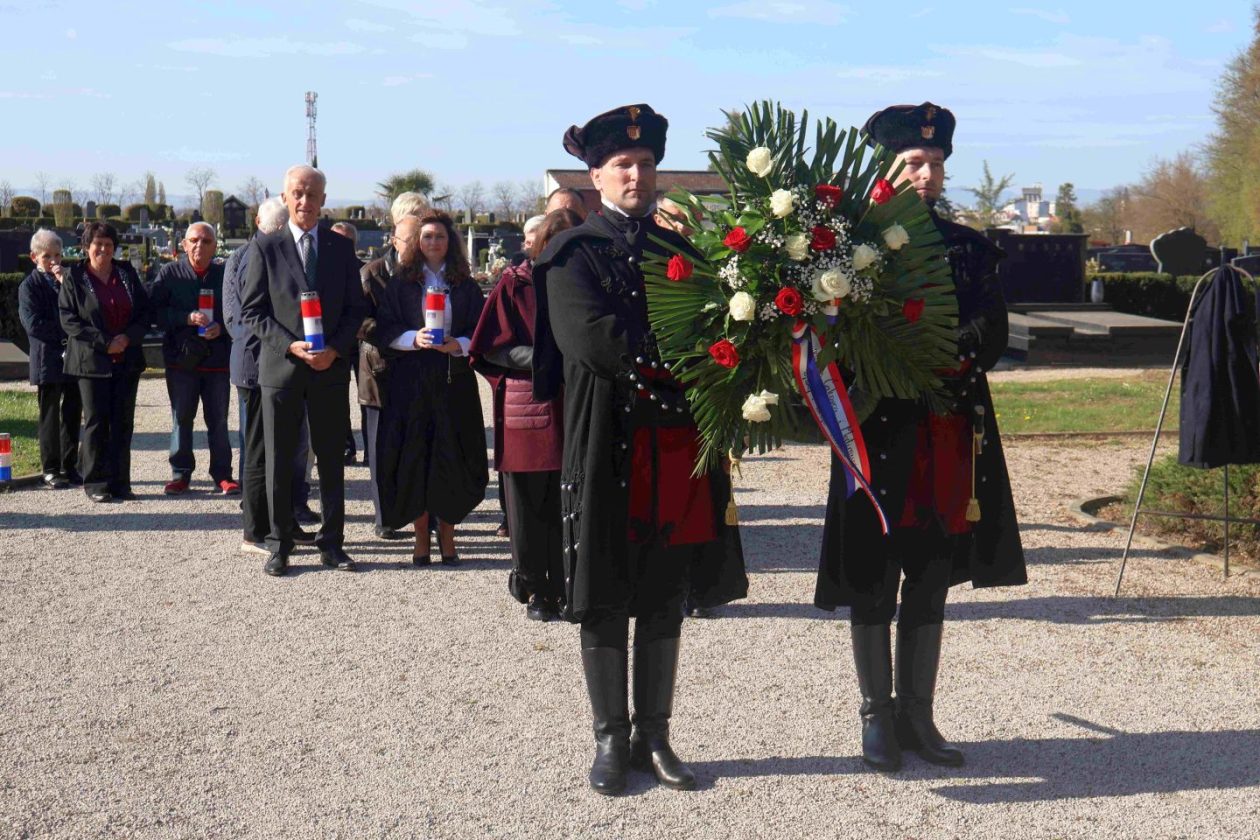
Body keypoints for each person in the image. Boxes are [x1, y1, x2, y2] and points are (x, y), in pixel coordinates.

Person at [532, 104, 748, 795]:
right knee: (602, 591)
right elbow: (592, 342)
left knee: (664, 589)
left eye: (646, 163)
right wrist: (680, 359)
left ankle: (654, 734)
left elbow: (718, 332)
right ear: (596, 176)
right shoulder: (571, 253)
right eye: (622, 165)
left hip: (675, 444)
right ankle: (608, 738)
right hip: (607, 443)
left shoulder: (680, 253)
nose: (636, 174)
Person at [814, 102, 1027, 772]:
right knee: (875, 576)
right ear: (888, 167)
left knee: (932, 574)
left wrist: (942, 354)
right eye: (913, 162)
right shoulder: (852, 249)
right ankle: (876, 717)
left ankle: (919, 716)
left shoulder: (967, 247)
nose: (926, 173)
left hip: (946, 433)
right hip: (877, 434)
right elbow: (835, 339)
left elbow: (991, 331)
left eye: (934, 163)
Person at [240, 164, 368, 576]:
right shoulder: (266, 248)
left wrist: (335, 348)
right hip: (283, 371)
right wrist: (288, 345)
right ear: (285, 198)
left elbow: (355, 310)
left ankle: (332, 543)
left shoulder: (339, 249)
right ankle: (280, 544)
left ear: (324, 201)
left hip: (329, 370)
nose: (304, 201)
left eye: (312, 195)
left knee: (331, 458)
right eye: (297, 193)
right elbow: (253, 312)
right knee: (279, 459)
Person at [471, 209, 578, 621]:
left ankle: (572, 587)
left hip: (577, 404)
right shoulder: (515, 285)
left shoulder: (588, 283)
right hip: (529, 405)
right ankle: (536, 589)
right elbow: (490, 347)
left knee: (572, 500)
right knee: (530, 504)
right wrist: (545, 360)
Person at [374, 210, 488, 565]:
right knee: (415, 458)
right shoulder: (402, 283)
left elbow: (484, 329)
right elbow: (381, 328)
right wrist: (413, 338)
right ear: (416, 243)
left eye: (439, 236)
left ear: (449, 242)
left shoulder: (465, 285)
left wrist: (460, 344)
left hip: (453, 381)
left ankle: (449, 538)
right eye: (426, 237)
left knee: (452, 458)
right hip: (412, 381)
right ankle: (421, 538)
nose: (433, 242)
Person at [224, 197, 316, 553]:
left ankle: (284, 521)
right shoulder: (257, 254)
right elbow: (248, 315)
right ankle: (255, 528)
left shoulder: (260, 252)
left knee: (285, 449)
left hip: (275, 364)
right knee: (260, 451)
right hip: (258, 365)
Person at [58, 221, 151, 503]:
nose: (104, 249)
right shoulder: (75, 277)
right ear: (87, 247)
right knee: (97, 421)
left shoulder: (126, 273)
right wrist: (104, 341)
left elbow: (145, 312)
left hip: (126, 359)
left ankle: (121, 482)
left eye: (109, 244)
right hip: (91, 362)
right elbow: (69, 319)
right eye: (98, 244)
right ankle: (96, 481)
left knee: (123, 422)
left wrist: (127, 337)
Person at [149, 222, 238, 496]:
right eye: (194, 240)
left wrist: (220, 327)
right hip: (181, 361)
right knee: (181, 418)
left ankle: (222, 475)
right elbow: (154, 314)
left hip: (217, 362)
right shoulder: (169, 273)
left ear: (215, 246)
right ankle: (180, 474)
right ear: (184, 245)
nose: (200, 245)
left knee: (219, 421)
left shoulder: (224, 275)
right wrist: (185, 318)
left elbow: (238, 311)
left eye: (207, 241)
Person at [356, 216, 427, 542]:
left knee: (412, 445)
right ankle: (385, 518)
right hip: (380, 370)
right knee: (382, 448)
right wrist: (403, 335)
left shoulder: (423, 274)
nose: (415, 246)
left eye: (419, 240)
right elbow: (362, 322)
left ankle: (417, 512)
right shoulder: (372, 273)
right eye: (410, 240)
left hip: (418, 370)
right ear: (395, 241)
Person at [18, 229, 82, 489]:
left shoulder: (68, 281)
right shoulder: (29, 286)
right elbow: (33, 324)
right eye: (47, 257)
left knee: (72, 412)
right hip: (48, 356)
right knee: (50, 413)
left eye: (58, 255)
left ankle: (70, 466)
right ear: (35, 258)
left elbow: (80, 310)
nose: (54, 261)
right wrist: (65, 331)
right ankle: (51, 468)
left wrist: (66, 284)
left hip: (73, 357)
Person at [330, 219, 366, 466]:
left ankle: (371, 448)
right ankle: (345, 447)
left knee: (367, 398)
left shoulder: (365, 269)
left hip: (364, 342)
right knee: (338, 399)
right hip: (338, 343)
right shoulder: (325, 270)